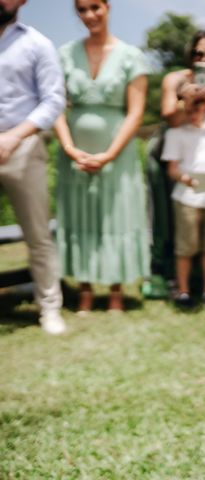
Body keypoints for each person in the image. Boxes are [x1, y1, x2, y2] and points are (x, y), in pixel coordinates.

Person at [54, 0, 150, 313]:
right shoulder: (65, 53)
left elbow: (135, 112)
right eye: (81, 9)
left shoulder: (131, 56)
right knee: (80, 215)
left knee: (115, 216)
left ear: (108, 7)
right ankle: (83, 291)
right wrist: (70, 149)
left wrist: (108, 154)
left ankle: (116, 293)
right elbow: (55, 105)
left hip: (117, 156)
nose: (89, 15)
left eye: (95, 7)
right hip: (74, 156)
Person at [0, 0, 66, 334]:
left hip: (22, 147)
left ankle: (49, 308)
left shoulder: (37, 43)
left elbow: (53, 98)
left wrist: (12, 137)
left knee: (37, 233)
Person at [161, 97, 205, 309]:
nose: (193, 114)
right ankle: (183, 290)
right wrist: (187, 179)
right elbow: (172, 169)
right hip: (187, 196)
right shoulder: (176, 133)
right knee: (186, 245)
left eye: (197, 108)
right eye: (188, 110)